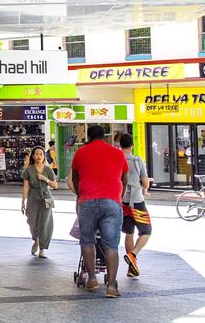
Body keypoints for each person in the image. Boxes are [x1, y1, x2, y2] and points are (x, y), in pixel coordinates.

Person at [71, 124, 128, 298]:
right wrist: (118, 196)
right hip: (112, 202)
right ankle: (111, 286)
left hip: (87, 201)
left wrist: (82, 195)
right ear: (104, 136)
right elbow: (124, 179)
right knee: (111, 245)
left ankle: (92, 279)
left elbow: (75, 178)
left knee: (87, 241)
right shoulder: (118, 153)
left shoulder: (80, 153)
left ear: (88, 136)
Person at [119, 133, 151, 278]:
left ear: (120, 146)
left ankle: (132, 268)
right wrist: (145, 186)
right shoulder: (138, 160)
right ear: (132, 146)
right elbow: (145, 182)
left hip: (122, 200)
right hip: (137, 201)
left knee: (129, 233)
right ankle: (133, 254)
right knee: (146, 231)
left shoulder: (117, 159)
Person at [21, 146, 57, 258]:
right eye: (37, 154)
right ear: (33, 156)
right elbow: (26, 187)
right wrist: (23, 201)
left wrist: (44, 179)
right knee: (32, 223)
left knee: (45, 224)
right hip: (33, 198)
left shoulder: (48, 170)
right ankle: (36, 239)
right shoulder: (29, 170)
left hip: (46, 198)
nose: (39, 156)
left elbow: (55, 185)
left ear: (44, 156)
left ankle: (42, 249)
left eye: (41, 154)